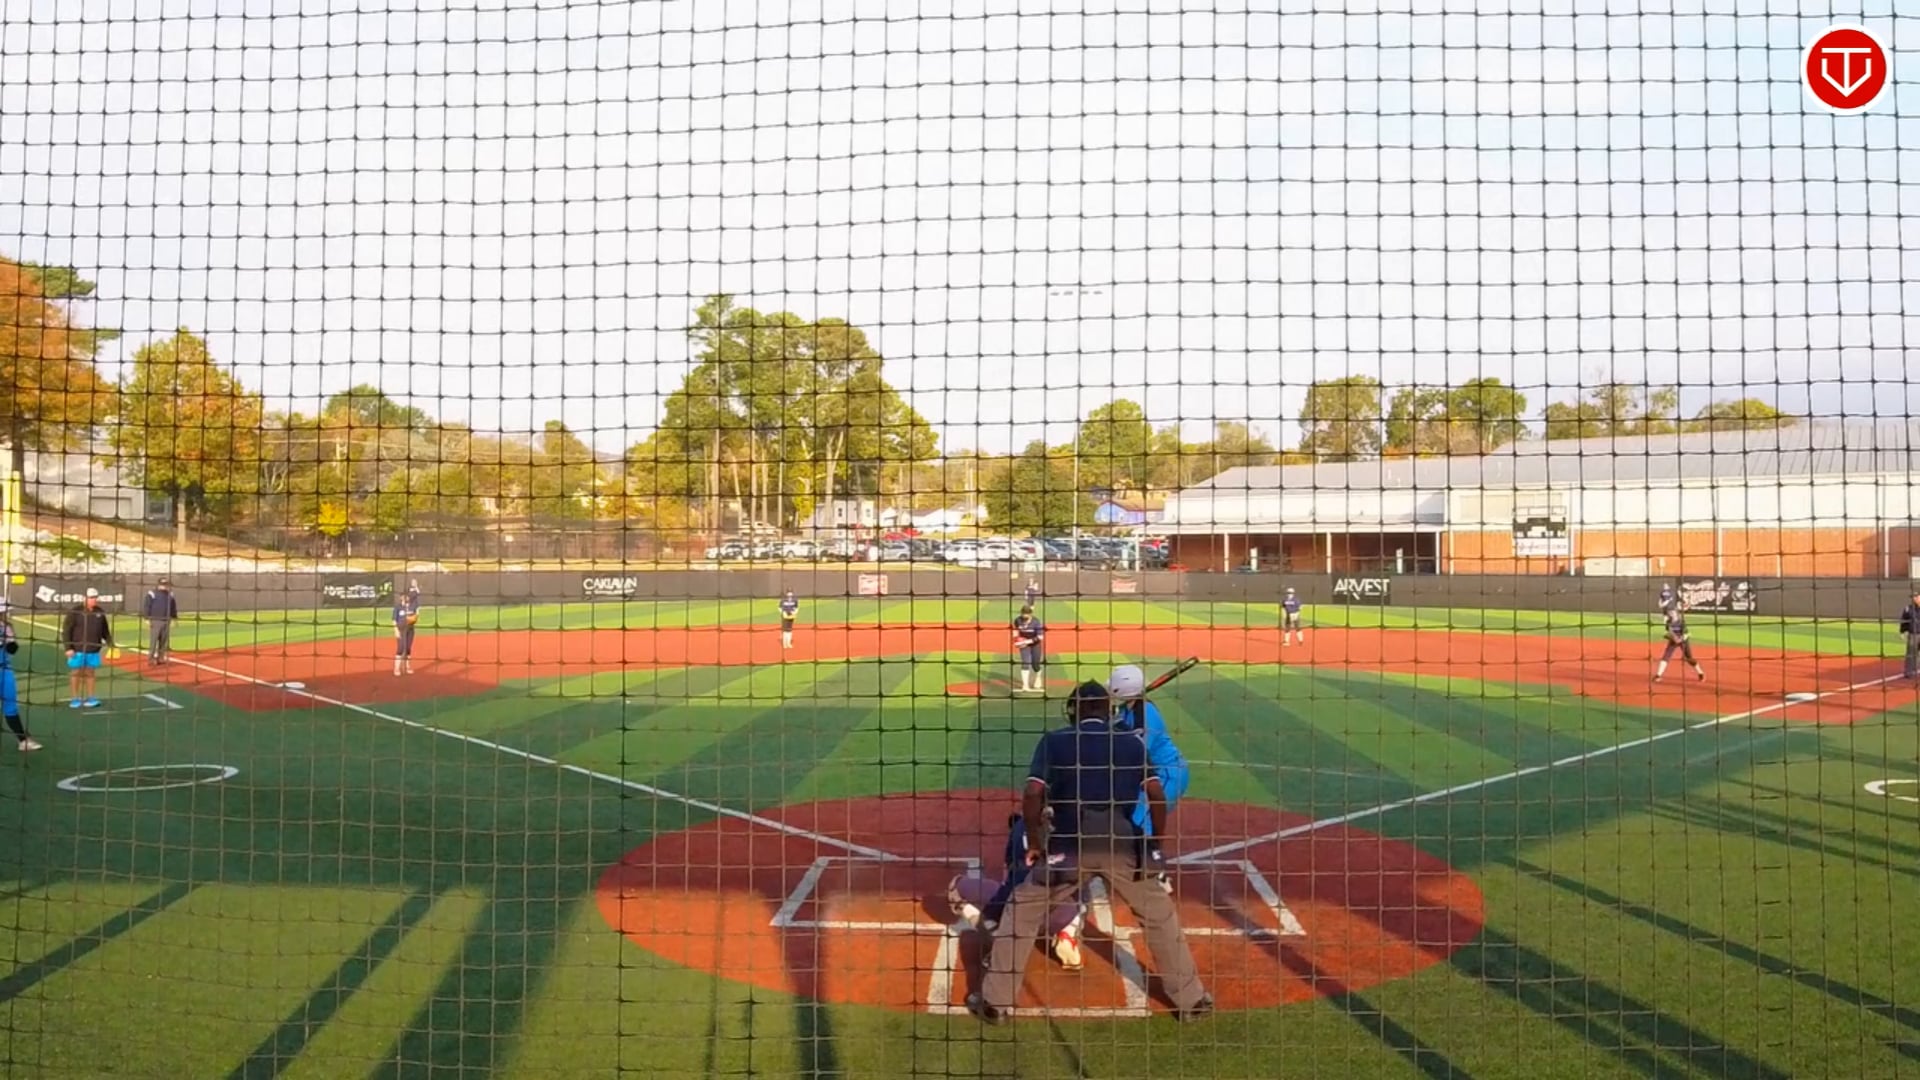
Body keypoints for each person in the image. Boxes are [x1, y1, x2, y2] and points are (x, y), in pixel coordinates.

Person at [965, 681, 1211, 1025]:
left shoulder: (1055, 741)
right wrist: (1154, 843)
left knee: (1021, 911)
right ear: (1108, 711)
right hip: (1122, 844)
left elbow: (1033, 794)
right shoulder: (1131, 742)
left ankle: (995, 1003)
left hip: (1070, 845)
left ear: (1074, 710)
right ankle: (1192, 1001)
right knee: (1159, 917)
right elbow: (1156, 794)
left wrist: (1035, 842)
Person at [946, 811, 1089, 969]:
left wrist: (994, 914)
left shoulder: (1020, 826)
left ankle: (1000, 939)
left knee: (957, 888)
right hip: (1060, 916)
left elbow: (1011, 874)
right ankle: (1068, 932)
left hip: (1019, 916)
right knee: (1083, 885)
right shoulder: (1078, 824)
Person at [1109, 664, 1190, 890]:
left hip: (1167, 774)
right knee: (1131, 818)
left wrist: (1118, 728)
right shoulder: (1128, 708)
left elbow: (1136, 753)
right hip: (1153, 773)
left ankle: (1157, 873)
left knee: (1141, 820)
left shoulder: (1145, 715)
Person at [0, 599, 42, 752]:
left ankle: (23, 740)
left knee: (10, 706)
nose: (5, 614)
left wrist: (8, 640)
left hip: (5, 670)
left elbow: (13, 650)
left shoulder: (7, 627)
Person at [62, 587, 113, 708]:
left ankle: (91, 698)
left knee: (90, 672)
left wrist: (111, 643)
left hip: (93, 649)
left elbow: (105, 630)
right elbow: (66, 630)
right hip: (77, 649)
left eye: (95, 597)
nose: (93, 600)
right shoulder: (75, 612)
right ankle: (75, 698)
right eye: (91, 597)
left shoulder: (100, 612)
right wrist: (68, 647)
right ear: (85, 598)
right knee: (76, 672)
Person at [1654, 600, 1706, 683]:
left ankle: (1700, 673)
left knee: (1689, 659)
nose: (1671, 614)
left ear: (1676, 613)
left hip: (1683, 640)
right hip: (1673, 640)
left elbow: (1686, 634)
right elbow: (1668, 632)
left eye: (1672, 612)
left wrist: (1679, 639)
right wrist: (1669, 636)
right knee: (1666, 657)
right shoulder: (1668, 623)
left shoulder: (1681, 622)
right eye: (1669, 612)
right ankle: (1658, 675)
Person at [144, 577, 179, 666]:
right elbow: (147, 606)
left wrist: (174, 618)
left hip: (166, 620)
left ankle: (161, 658)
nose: (165, 586)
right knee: (154, 640)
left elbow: (173, 607)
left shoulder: (170, 594)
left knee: (164, 641)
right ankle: (151, 659)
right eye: (163, 584)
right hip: (155, 620)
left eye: (166, 584)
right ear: (158, 585)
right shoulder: (152, 593)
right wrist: (147, 618)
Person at [1012, 604, 1045, 694]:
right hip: (1024, 645)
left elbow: (1040, 637)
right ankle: (1025, 685)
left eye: (1026, 616)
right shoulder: (1018, 620)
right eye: (1023, 615)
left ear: (1031, 614)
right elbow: (1015, 631)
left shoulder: (1036, 622)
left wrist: (1026, 641)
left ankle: (1038, 677)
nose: (1024, 619)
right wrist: (1016, 640)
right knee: (1025, 662)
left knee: (1035, 664)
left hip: (1035, 644)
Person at [393, 580, 421, 676]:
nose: (405, 598)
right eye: (403, 596)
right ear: (401, 597)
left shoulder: (413, 605)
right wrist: (396, 630)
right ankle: (397, 668)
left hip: (410, 630)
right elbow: (394, 620)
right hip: (401, 630)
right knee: (400, 648)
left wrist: (414, 618)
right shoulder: (398, 607)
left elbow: (417, 595)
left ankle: (407, 666)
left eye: (407, 596)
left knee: (408, 648)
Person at [1898, 589, 1920, 680]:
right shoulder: (1908, 608)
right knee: (1911, 653)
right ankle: (1909, 672)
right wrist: (1902, 631)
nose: (1914, 598)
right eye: (1913, 597)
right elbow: (1904, 621)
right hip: (1913, 634)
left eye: (1916, 596)